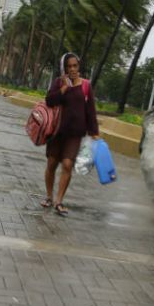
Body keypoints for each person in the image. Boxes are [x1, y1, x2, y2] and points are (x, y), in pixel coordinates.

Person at [42, 53, 99, 216]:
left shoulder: (86, 85)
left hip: (75, 134)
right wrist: (64, 88)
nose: (73, 69)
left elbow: (90, 111)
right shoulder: (58, 82)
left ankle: (59, 201)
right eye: (69, 66)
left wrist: (94, 132)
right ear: (64, 68)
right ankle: (48, 196)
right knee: (52, 163)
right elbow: (49, 100)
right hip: (57, 132)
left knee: (67, 164)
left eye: (75, 66)